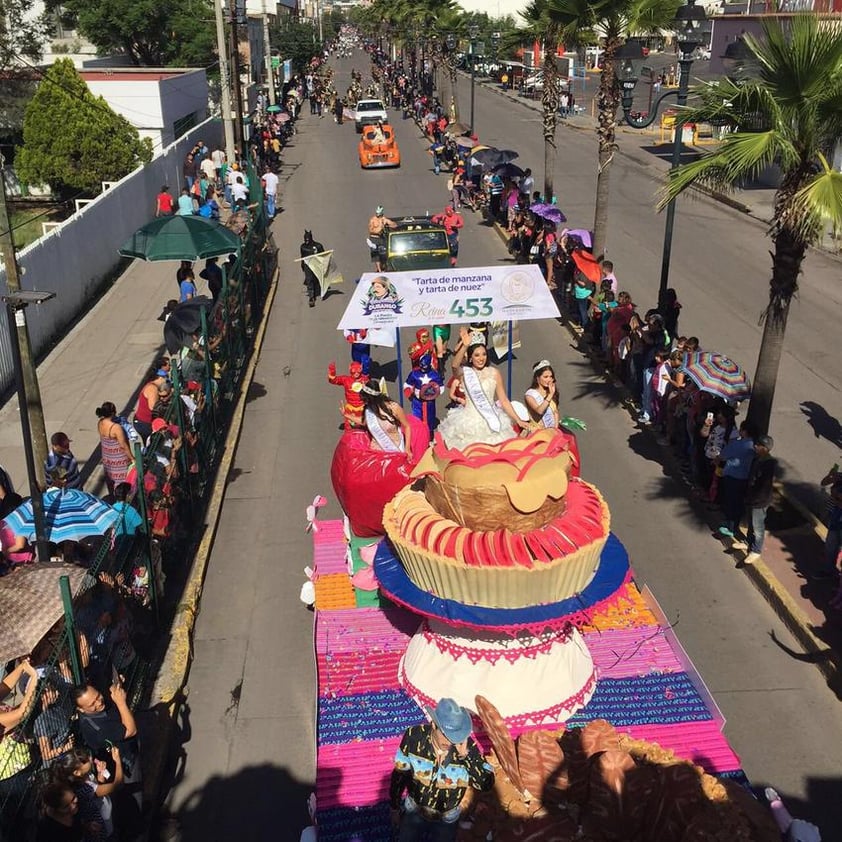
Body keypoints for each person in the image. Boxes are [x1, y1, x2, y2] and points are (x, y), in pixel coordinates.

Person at [389, 697, 494, 841]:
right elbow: (400, 773)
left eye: (454, 736)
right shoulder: (414, 737)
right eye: (445, 735)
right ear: (433, 725)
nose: (449, 741)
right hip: (415, 809)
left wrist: (465, 757)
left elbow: (486, 783)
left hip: (447, 818)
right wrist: (394, 807)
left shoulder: (467, 747)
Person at [437, 327, 528, 450]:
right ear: (470, 357)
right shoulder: (465, 373)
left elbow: (504, 400)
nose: (481, 358)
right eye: (477, 355)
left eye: (484, 354)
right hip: (469, 422)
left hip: (492, 421)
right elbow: (454, 365)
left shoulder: (494, 372)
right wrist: (464, 346)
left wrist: (518, 419)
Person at [738, 435, 777, 564]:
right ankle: (748, 541)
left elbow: (764, 485)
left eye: (758, 445)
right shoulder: (758, 459)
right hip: (751, 497)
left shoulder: (768, 464)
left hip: (760, 500)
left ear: (765, 448)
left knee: (758, 526)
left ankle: (756, 550)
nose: (755, 446)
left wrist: (756, 499)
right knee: (750, 522)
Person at [359, 381, 412, 454]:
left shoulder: (394, 407)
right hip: (375, 454)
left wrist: (407, 449)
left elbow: (407, 426)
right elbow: (364, 422)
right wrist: (346, 415)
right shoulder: (369, 409)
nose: (365, 402)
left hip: (394, 451)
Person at [96, 402, 135, 495]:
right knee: (121, 482)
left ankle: (113, 497)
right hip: (118, 459)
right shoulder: (116, 428)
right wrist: (132, 458)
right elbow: (123, 445)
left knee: (110, 480)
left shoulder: (100, 423)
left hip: (107, 456)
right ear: (113, 413)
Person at [524, 360, 559, 428]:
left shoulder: (550, 391)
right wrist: (550, 395)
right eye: (545, 377)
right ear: (537, 378)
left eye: (551, 376)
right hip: (537, 432)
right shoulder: (530, 394)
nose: (549, 379)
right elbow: (539, 411)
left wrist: (555, 429)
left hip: (552, 431)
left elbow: (555, 412)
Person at [300, 230, 325, 308]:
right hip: (307, 265)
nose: (306, 241)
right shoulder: (303, 247)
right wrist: (303, 266)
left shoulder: (318, 246)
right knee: (309, 279)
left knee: (315, 278)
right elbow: (302, 256)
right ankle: (311, 297)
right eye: (305, 239)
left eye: (308, 239)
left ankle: (318, 286)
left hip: (317, 264)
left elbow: (323, 255)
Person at [367, 206, 397, 272]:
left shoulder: (384, 219)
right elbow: (370, 230)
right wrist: (378, 229)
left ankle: (383, 267)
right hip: (374, 238)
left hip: (381, 238)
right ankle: (379, 270)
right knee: (376, 255)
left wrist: (389, 225)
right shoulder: (373, 220)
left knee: (383, 254)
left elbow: (394, 224)